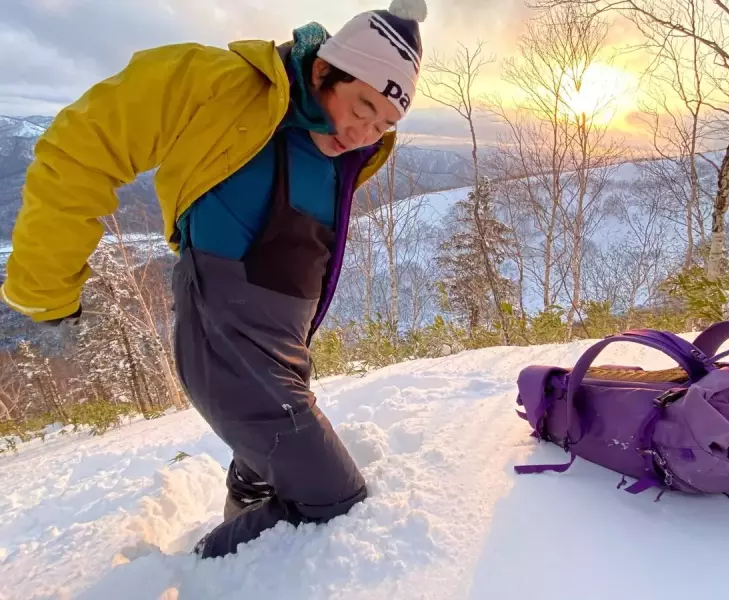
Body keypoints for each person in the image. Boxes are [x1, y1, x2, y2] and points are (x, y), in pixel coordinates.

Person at [1, 0, 427, 559]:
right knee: (331, 497)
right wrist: (46, 285)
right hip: (222, 341)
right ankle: (209, 577)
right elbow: (81, 146)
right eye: (362, 106)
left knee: (268, 468)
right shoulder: (219, 84)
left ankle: (249, 498)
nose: (364, 131)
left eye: (385, 123)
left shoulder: (348, 150)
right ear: (324, 70)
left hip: (285, 347)